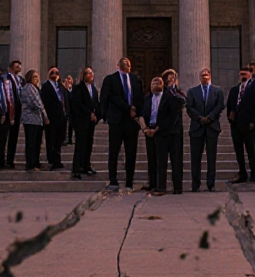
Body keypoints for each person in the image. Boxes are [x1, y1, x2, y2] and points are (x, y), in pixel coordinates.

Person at [99, 56, 143, 189]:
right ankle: (113, 179)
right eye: (124, 62)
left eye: (128, 62)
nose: (127, 64)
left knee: (131, 152)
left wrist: (137, 111)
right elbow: (105, 97)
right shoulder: (110, 79)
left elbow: (140, 97)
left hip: (131, 122)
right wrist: (105, 115)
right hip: (116, 121)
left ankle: (129, 180)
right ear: (118, 65)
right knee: (114, 151)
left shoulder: (135, 79)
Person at [141, 76, 182, 195]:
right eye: (154, 81)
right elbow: (143, 114)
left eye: (159, 81)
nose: (157, 82)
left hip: (167, 132)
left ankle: (171, 188)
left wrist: (158, 128)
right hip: (151, 131)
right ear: (150, 86)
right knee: (154, 159)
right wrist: (146, 129)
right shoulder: (147, 99)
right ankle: (154, 184)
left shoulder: (170, 97)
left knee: (169, 160)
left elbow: (172, 116)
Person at [186, 68, 224, 192]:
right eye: (202, 75)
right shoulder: (192, 91)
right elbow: (189, 107)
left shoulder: (217, 91)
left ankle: (210, 183)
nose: (204, 77)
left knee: (211, 157)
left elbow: (220, 105)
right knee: (195, 158)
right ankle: (195, 183)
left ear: (210, 76)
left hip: (212, 127)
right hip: (197, 128)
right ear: (199, 77)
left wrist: (210, 117)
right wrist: (199, 118)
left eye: (206, 75)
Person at [227, 65, 255, 183]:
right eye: (241, 74)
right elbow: (230, 105)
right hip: (236, 125)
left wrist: (254, 122)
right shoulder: (235, 90)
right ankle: (242, 173)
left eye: (245, 74)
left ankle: (254, 173)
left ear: (250, 74)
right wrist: (231, 116)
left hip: (248, 124)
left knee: (250, 150)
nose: (243, 77)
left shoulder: (254, 88)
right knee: (238, 150)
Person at [70, 67, 100, 179]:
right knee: (80, 145)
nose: (91, 75)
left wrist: (97, 114)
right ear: (83, 75)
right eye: (88, 73)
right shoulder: (78, 88)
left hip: (91, 122)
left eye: (92, 73)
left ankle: (86, 166)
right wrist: (89, 114)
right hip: (81, 121)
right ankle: (76, 169)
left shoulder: (93, 88)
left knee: (88, 144)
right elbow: (78, 104)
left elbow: (96, 103)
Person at [20, 70, 48, 171]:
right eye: (34, 77)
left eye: (37, 77)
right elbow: (36, 103)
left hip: (36, 119)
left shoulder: (36, 88)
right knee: (31, 143)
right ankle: (31, 164)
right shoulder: (28, 88)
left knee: (37, 143)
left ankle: (36, 162)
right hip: (30, 119)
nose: (37, 79)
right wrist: (45, 116)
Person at [40, 67, 67, 170]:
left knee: (58, 140)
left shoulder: (60, 86)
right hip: (51, 117)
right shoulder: (46, 86)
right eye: (52, 72)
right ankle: (51, 160)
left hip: (61, 117)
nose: (55, 74)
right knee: (51, 139)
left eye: (57, 72)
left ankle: (58, 160)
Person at [0, 66, 18, 173]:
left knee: (5, 140)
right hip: (1, 115)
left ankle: (4, 161)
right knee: (0, 141)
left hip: (9, 114)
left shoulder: (8, 86)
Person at [2, 60, 24, 169]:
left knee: (14, 137)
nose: (19, 68)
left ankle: (10, 160)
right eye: (16, 66)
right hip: (8, 112)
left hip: (17, 112)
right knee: (4, 137)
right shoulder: (6, 79)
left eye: (19, 66)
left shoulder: (20, 80)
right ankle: (1, 160)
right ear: (11, 68)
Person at [63, 75, 75, 146]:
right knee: (66, 126)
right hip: (67, 110)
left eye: (70, 80)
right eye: (68, 80)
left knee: (72, 126)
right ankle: (66, 139)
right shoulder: (64, 90)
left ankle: (70, 139)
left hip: (73, 111)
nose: (69, 81)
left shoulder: (74, 90)